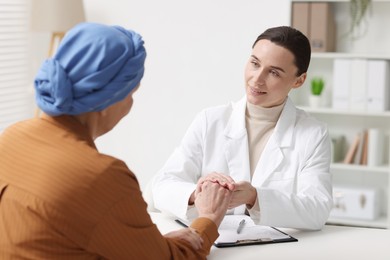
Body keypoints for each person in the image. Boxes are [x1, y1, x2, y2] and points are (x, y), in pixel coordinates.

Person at [0, 22, 233, 259]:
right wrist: (208, 219)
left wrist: (149, 243)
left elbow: (54, 239)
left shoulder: (11, 137)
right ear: (106, 101)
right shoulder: (101, 175)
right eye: (131, 94)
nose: (131, 104)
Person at [152, 26, 333, 231]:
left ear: (299, 80)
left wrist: (255, 197)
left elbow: (318, 209)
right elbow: (161, 186)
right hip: (214, 242)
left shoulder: (313, 134)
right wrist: (201, 194)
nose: (257, 79)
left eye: (273, 72)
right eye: (255, 63)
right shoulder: (210, 120)